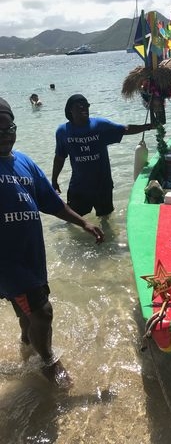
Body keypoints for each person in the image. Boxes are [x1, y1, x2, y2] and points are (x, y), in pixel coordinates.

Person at [0, 97, 105, 388]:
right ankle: (47, 362)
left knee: (28, 313)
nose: (5, 134)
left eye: (9, 127)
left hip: (32, 256)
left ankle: (26, 344)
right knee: (43, 312)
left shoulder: (24, 162)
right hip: (8, 262)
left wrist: (83, 221)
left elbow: (51, 202)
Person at [51, 94, 155, 217]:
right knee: (74, 221)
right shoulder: (63, 132)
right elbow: (59, 158)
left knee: (106, 219)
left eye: (86, 105)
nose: (84, 108)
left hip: (103, 185)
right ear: (70, 110)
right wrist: (54, 179)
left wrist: (149, 126)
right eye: (79, 106)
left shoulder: (100, 125)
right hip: (79, 187)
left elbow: (125, 129)